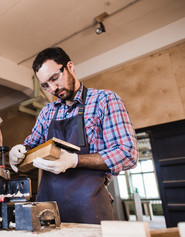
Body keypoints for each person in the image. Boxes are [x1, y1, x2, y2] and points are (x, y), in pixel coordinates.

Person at [9, 47, 138, 224]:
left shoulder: (104, 100)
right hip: (47, 209)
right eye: (45, 85)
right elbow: (32, 145)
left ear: (70, 66)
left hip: (88, 207)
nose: (53, 88)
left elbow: (127, 153)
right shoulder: (47, 112)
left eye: (55, 78)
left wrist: (74, 160)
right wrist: (19, 151)